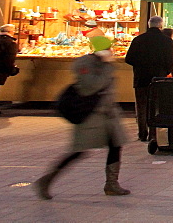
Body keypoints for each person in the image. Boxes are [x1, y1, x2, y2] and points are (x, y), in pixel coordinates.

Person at [35, 36, 130, 198]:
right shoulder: (85, 64)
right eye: (109, 48)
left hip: (108, 116)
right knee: (78, 151)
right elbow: (91, 86)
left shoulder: (105, 64)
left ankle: (112, 184)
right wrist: (107, 68)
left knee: (116, 146)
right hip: (90, 116)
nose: (111, 51)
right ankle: (47, 179)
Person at [123, 15, 173, 141]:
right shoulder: (167, 41)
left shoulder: (138, 40)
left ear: (148, 25)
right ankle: (153, 133)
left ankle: (142, 133)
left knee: (141, 106)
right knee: (156, 106)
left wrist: (140, 65)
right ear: (160, 25)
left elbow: (128, 59)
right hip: (158, 79)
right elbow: (171, 60)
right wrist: (166, 71)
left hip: (141, 78)